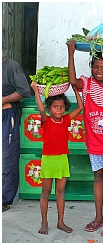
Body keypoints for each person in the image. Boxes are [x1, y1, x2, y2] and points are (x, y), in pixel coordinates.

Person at [67, 40, 103, 237]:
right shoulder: (87, 84)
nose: (99, 70)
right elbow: (72, 80)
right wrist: (71, 53)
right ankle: (99, 218)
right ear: (91, 67)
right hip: (94, 142)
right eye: (95, 66)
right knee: (98, 178)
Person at [31, 81, 83, 235]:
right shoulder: (46, 120)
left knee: (60, 192)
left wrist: (75, 90)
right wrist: (35, 90)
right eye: (55, 107)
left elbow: (80, 108)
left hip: (62, 159)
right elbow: (40, 108)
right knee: (46, 193)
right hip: (48, 159)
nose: (59, 109)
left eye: (61, 107)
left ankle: (61, 222)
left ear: (65, 107)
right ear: (49, 108)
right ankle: (44, 222)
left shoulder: (66, 119)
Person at [2, 56, 31, 212]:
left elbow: (24, 91)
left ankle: (4, 199)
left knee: (8, 157)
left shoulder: (11, 67)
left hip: (7, 116)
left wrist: (3, 99)